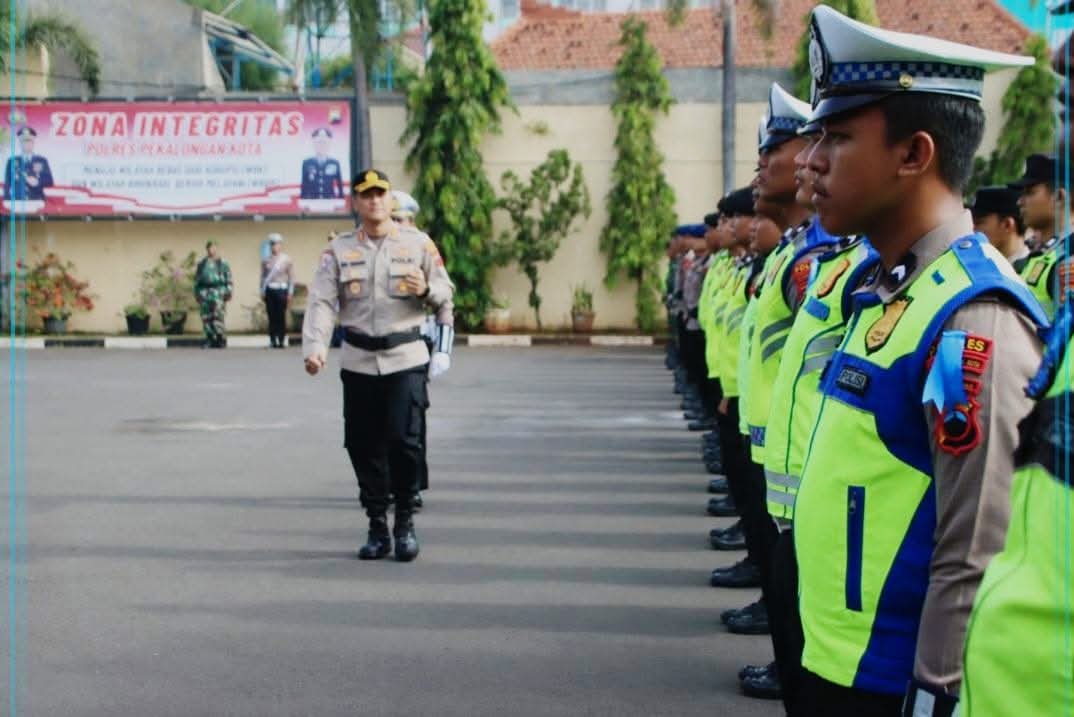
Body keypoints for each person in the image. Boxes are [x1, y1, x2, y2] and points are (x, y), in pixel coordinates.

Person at [791, 7, 1047, 715]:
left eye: (837, 138)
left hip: (892, 684)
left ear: (914, 155)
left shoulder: (972, 318)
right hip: (837, 663)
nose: (811, 160)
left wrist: (937, 695)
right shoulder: (887, 288)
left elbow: (975, 551)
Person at [302, 169, 455, 563]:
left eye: (380, 194)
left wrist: (426, 290)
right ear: (356, 202)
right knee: (362, 444)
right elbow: (322, 301)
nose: (374, 201)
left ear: (389, 200)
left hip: (405, 357)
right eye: (366, 195)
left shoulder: (418, 243)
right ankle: (376, 525)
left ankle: (404, 522)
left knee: (404, 442)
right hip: (358, 360)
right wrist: (315, 347)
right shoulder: (338, 250)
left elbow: (445, 291)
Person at [1010, 154, 1071, 316]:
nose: (1020, 201)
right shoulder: (1045, 254)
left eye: (1030, 192)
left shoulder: (1067, 259)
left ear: (1059, 197)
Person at [969, 185, 1028, 266]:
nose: (972, 230)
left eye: (978, 223)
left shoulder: (1031, 270)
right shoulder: (983, 267)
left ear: (1007, 225)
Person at [194, 240, 233, 349]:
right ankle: (209, 338)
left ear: (217, 248)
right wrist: (197, 293)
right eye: (210, 248)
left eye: (214, 247)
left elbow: (228, 278)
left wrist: (228, 291)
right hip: (205, 292)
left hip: (218, 292)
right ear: (207, 249)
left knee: (218, 316)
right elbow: (196, 280)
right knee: (206, 317)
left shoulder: (222, 263)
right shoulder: (202, 264)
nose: (212, 250)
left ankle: (220, 338)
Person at [261, 233, 295, 348]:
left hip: (281, 290)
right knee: (271, 316)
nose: (274, 247)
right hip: (270, 290)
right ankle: (272, 339)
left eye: (276, 244)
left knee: (281, 316)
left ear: (280, 245)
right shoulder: (266, 260)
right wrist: (262, 290)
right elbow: (263, 277)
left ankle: (281, 339)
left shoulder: (286, 260)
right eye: (272, 245)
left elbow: (291, 277)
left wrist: (290, 292)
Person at [4, 126, 53, 201]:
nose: (27, 144)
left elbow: (49, 181)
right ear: (20, 143)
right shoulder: (12, 161)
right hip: (17, 201)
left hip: (37, 200)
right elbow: (7, 183)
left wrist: (38, 182)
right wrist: (7, 200)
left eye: (29, 141)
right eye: (24, 141)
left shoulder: (42, 160)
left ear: (33, 142)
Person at [299, 128, 344, 199]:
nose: (321, 145)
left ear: (329, 144)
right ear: (314, 143)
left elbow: (339, 184)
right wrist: (303, 200)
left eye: (324, 142)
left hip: (330, 199)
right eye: (319, 142)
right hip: (312, 200)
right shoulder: (307, 162)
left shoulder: (334, 163)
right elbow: (304, 184)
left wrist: (341, 199)